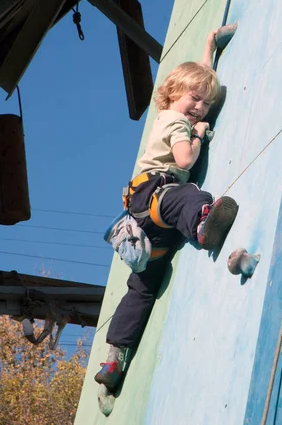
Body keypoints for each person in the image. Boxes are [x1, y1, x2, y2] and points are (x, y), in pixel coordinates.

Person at [95, 30, 238, 391]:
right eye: (195, 100)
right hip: (155, 195)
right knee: (189, 193)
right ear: (175, 94)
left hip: (149, 227)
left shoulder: (173, 112)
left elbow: (199, 80)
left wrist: (208, 45)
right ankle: (203, 224)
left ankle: (114, 358)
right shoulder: (178, 123)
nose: (200, 109)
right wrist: (199, 134)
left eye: (205, 105)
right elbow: (185, 160)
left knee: (141, 288)